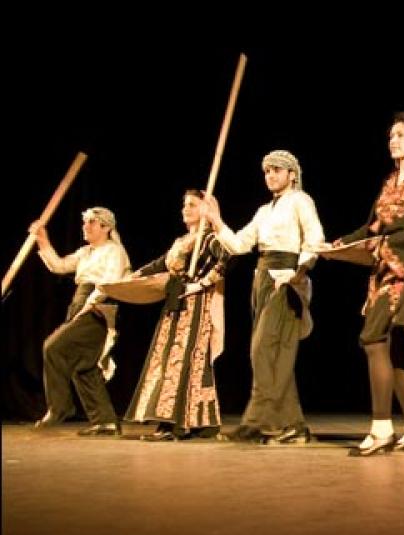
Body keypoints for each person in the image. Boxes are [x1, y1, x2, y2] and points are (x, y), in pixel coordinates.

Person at [335, 112, 404, 457]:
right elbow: (372, 228)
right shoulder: (389, 182)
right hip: (384, 273)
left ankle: (381, 428)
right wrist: (338, 244)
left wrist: (389, 249)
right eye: (390, 136)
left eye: (399, 135)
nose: (392, 141)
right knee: (393, 354)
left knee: (372, 339)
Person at [201, 150, 325, 444]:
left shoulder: (300, 200)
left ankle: (256, 422)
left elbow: (315, 238)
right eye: (267, 171)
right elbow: (239, 244)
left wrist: (299, 271)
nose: (270, 175)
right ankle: (293, 425)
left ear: (291, 174)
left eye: (276, 170)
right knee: (275, 356)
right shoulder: (263, 211)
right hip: (262, 279)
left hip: (286, 279)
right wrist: (217, 220)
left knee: (262, 350)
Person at [125, 190, 229, 441]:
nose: (186, 209)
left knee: (183, 360)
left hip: (195, 304)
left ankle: (173, 424)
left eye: (192, 204)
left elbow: (227, 258)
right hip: (175, 302)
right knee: (167, 357)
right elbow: (162, 263)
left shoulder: (210, 238)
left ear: (205, 209)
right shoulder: (183, 241)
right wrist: (134, 276)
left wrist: (202, 283)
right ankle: (202, 422)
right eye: (184, 205)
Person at [30, 206, 131, 436]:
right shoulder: (85, 252)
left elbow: (109, 283)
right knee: (84, 366)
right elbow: (59, 266)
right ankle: (105, 421)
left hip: (98, 307)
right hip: (80, 304)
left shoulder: (114, 251)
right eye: (85, 222)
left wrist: (88, 306)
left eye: (91, 222)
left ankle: (60, 407)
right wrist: (42, 240)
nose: (85, 226)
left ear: (106, 227)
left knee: (53, 347)